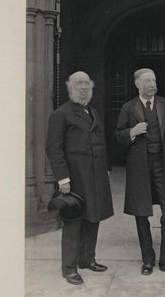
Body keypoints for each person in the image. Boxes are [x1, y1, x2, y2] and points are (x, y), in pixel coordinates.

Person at [115, 68, 165, 277]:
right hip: (140, 167)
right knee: (141, 213)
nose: (153, 84)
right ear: (138, 84)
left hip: (164, 165)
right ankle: (147, 260)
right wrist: (132, 132)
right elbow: (118, 135)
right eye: (147, 81)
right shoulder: (128, 108)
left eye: (154, 80)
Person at [46, 71, 114, 285]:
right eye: (79, 84)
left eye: (86, 83)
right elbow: (54, 149)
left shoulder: (92, 111)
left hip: (95, 176)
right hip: (75, 178)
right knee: (73, 222)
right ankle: (69, 268)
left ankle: (87, 259)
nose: (83, 87)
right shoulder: (61, 114)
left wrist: (106, 169)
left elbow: (100, 142)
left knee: (93, 218)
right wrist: (63, 178)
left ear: (91, 87)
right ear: (70, 88)